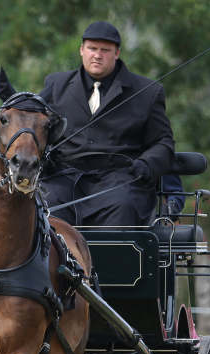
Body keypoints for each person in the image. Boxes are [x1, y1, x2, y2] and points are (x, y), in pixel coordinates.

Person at [39, 21, 177, 227]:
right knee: (44, 203)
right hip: (64, 177)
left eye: (105, 50)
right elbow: (40, 131)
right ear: (81, 50)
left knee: (122, 205)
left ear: (117, 53)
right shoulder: (55, 85)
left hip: (120, 179)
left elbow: (163, 143)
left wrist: (147, 164)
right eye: (92, 48)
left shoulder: (148, 92)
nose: (97, 55)